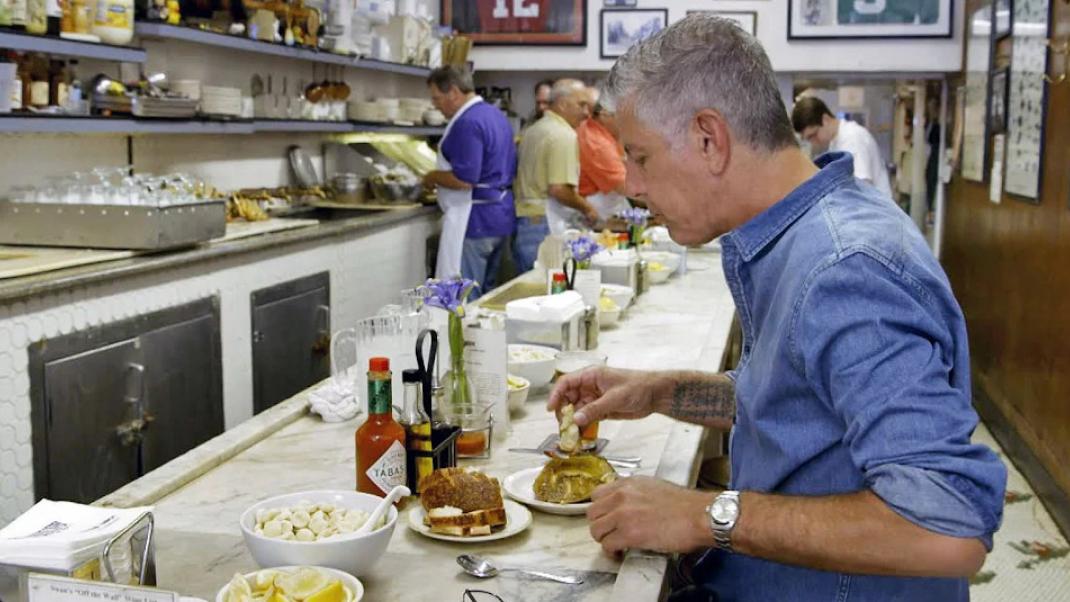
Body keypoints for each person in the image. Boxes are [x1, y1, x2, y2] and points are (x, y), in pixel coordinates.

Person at [549, 14, 1006, 601]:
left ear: (709, 139)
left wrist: (699, 515)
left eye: (640, 156)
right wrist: (658, 391)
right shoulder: (799, 235)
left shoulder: (845, 270)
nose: (632, 183)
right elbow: (800, 406)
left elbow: (948, 525)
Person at [423, 66, 517, 296]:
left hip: (475, 221)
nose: (435, 105)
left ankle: (463, 334)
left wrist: (431, 177)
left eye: (437, 98)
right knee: (486, 295)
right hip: (500, 217)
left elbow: (465, 179)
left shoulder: (467, 122)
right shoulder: (495, 115)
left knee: (464, 298)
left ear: (453, 92)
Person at [513, 78, 599, 271]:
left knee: (531, 292)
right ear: (562, 104)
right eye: (582, 105)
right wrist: (588, 208)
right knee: (549, 291)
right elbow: (559, 189)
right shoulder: (563, 135)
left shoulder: (533, 129)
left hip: (525, 222)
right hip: (544, 225)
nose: (587, 113)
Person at [791, 96, 893, 198]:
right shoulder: (835, 142)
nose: (813, 142)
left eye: (813, 135)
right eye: (808, 139)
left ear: (825, 119)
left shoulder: (853, 138)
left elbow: (859, 188)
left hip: (873, 210)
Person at [578, 95, 632, 222]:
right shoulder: (597, 143)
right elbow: (624, 186)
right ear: (604, 114)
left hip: (608, 203)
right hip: (598, 210)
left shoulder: (604, 133)